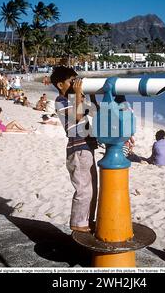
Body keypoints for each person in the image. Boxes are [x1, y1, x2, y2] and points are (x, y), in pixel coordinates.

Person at [51, 66, 99, 233]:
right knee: (84, 189)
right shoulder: (61, 100)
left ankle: (88, 221)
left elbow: (95, 111)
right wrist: (78, 95)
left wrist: (92, 95)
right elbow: (77, 117)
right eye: (72, 81)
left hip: (87, 148)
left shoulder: (75, 99)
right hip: (77, 150)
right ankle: (78, 224)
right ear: (60, 85)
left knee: (93, 189)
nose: (75, 84)